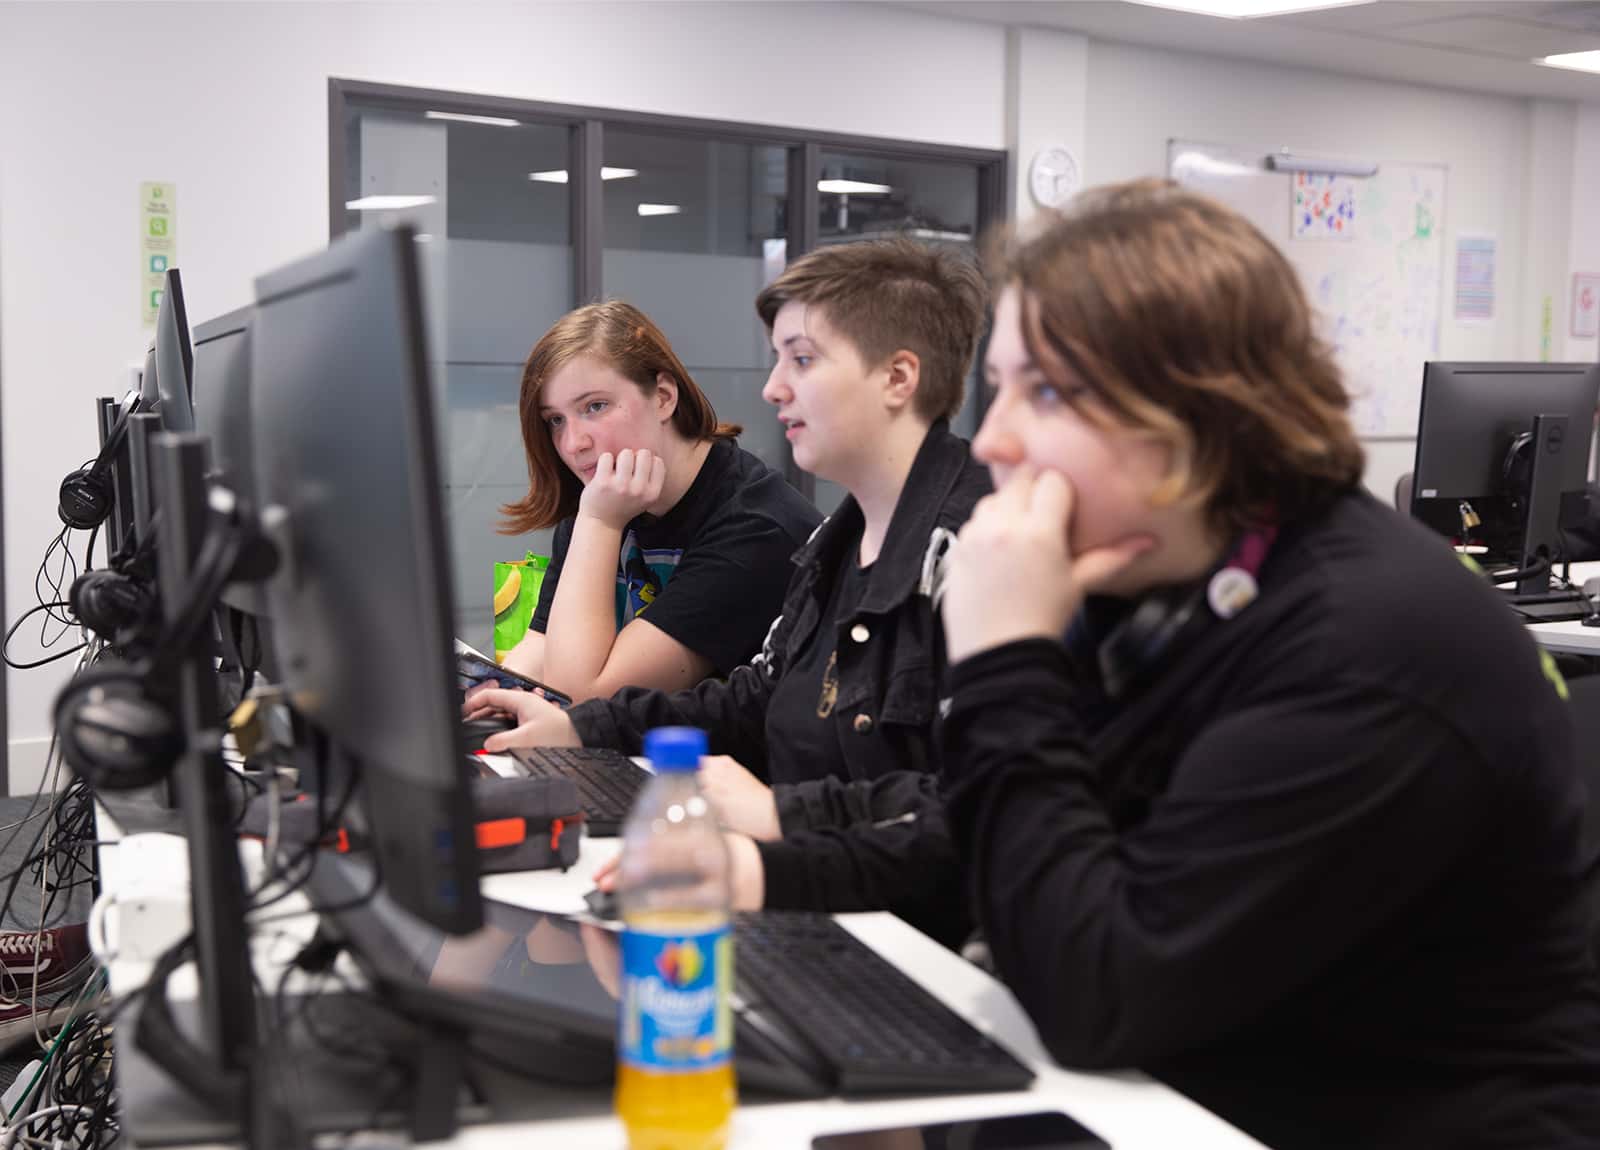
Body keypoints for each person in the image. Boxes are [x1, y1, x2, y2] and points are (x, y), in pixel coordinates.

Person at [937, 179, 1600, 1149]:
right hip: (1210, 1089)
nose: (990, 438)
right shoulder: (1169, 581)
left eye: (1044, 391)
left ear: (1198, 411)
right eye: (997, 386)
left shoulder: (1369, 642)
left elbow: (1096, 991)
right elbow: (1021, 823)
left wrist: (1000, 658)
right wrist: (779, 857)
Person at [468, 238, 991, 946]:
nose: (774, 387)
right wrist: (582, 728)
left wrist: (778, 824)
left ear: (898, 377)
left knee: (561, 950)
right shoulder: (841, 539)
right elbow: (756, 696)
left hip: (905, 931)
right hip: (824, 895)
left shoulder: (971, 552)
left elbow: (978, 812)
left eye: (801, 360)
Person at [497, 301, 819, 703]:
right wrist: (487, 693)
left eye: (594, 407)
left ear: (664, 397)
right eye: (555, 420)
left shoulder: (756, 527)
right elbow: (541, 649)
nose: (573, 443)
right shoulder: (604, 495)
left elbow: (586, 698)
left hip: (727, 765)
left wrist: (599, 523)